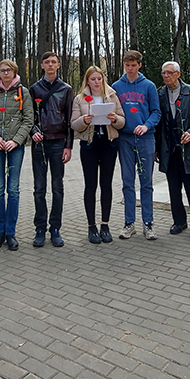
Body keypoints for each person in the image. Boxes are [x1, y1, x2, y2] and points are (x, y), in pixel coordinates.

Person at [0, 60, 34, 251]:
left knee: (13, 189)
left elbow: (28, 120)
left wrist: (16, 140)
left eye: (8, 70)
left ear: (14, 72)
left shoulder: (23, 92)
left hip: (15, 146)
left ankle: (11, 233)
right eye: (2, 70)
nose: (5, 73)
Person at [70, 65, 126, 244]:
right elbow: (73, 124)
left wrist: (115, 119)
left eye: (99, 79)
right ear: (87, 80)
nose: (96, 82)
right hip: (89, 145)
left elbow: (122, 120)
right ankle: (91, 226)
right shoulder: (80, 99)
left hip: (109, 143)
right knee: (91, 185)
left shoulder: (112, 96)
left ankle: (105, 225)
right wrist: (84, 120)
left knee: (106, 184)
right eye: (93, 79)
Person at [156, 62, 190, 241]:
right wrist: (157, 148)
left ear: (178, 74)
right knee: (174, 189)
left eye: (169, 73)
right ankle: (179, 222)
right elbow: (158, 125)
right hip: (170, 150)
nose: (166, 76)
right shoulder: (160, 94)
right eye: (163, 73)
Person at [112, 50, 161, 240]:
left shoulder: (149, 86)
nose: (130, 68)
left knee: (146, 182)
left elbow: (156, 112)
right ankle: (129, 223)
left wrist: (146, 125)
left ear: (140, 65)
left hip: (145, 139)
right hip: (125, 139)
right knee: (127, 181)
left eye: (134, 65)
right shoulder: (116, 87)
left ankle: (148, 223)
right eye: (127, 65)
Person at [29, 51, 74, 248]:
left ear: (58, 65)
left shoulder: (66, 89)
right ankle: (39, 228)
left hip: (58, 142)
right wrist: (33, 131)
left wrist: (68, 146)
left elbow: (70, 118)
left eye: (53, 62)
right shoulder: (34, 89)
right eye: (46, 62)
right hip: (39, 143)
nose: (50, 65)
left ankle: (55, 228)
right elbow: (29, 116)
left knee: (57, 187)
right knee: (39, 188)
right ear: (41, 65)